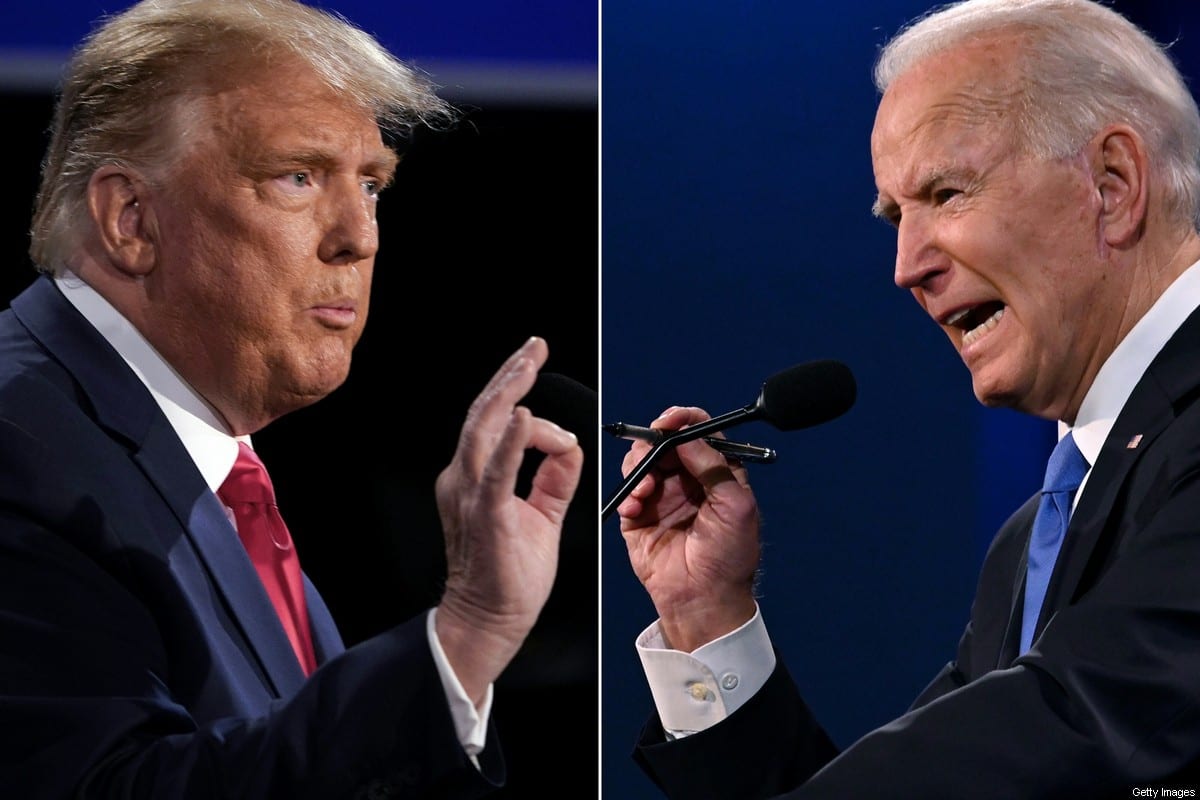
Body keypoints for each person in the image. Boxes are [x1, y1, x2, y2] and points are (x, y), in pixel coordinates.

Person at [0, 1, 586, 797]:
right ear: (131, 220)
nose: (360, 236)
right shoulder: (21, 446)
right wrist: (466, 634)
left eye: (372, 184)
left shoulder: (194, 458)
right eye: (297, 176)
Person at [615, 0, 1200, 797]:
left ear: (1113, 184)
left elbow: (1087, 730)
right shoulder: (1035, 538)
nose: (906, 265)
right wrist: (707, 618)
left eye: (948, 193)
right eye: (895, 215)